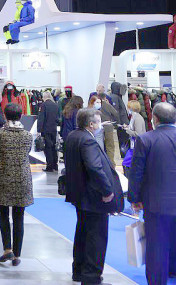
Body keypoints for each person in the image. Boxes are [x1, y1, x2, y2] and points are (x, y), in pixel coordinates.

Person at [64, 108, 121, 285]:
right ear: (91, 124)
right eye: (98, 122)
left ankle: (79, 271)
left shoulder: (73, 136)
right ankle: (92, 276)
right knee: (96, 236)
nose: (100, 125)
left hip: (80, 195)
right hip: (93, 197)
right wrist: (107, 191)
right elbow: (95, 168)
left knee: (83, 232)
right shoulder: (88, 140)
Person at [127, 102, 176, 285]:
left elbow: (136, 172)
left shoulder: (145, 139)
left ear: (154, 119)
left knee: (157, 246)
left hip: (156, 203)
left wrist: (134, 199)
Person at [0, 103, 34, 266]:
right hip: (22, 179)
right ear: (21, 116)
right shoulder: (28, 135)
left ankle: (7, 249)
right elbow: (28, 152)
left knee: (3, 214)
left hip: (3, 177)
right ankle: (17, 255)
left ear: (5, 116)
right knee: (19, 217)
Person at [37, 91, 60, 172]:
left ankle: (49, 167)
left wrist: (39, 130)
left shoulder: (43, 105)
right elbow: (58, 118)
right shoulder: (56, 105)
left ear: (44, 97)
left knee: (48, 148)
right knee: (54, 147)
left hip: (46, 130)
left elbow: (41, 118)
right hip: (53, 129)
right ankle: (55, 166)